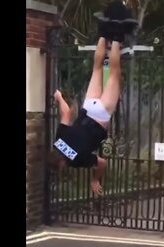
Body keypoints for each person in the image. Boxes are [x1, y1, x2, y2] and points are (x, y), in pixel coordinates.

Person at [49, 1, 136, 195]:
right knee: (97, 69)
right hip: (87, 108)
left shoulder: (75, 160)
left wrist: (95, 180)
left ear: (61, 165)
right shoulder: (58, 142)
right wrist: (58, 97)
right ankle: (104, 33)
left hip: (101, 116)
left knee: (114, 73)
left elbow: (102, 162)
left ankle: (117, 35)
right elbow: (66, 112)